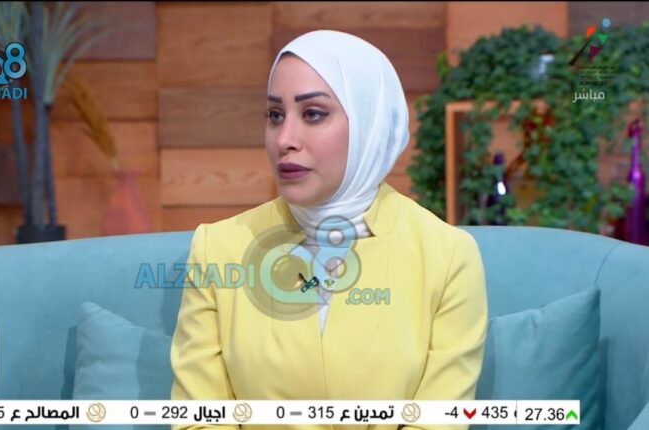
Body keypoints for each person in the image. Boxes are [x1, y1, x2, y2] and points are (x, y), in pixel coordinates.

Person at [170, 29, 488, 430]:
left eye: (313, 114)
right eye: (275, 116)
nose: (285, 139)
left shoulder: (448, 256)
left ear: (369, 123)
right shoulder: (217, 249)